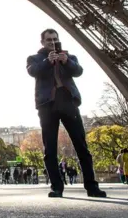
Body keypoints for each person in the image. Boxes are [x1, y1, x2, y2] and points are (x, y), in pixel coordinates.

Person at [26, 29, 106, 198]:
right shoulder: (35, 58)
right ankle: (57, 187)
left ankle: (92, 187)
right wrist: (48, 61)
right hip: (47, 105)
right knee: (50, 148)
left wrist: (66, 61)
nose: (52, 42)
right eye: (48, 39)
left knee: (81, 146)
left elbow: (78, 71)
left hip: (68, 102)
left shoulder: (69, 56)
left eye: (55, 39)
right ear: (42, 42)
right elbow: (32, 71)